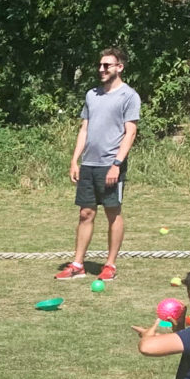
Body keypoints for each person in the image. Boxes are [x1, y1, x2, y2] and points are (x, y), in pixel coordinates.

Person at [58, 46, 140, 281]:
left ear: (119, 67)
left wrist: (116, 164)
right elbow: (84, 128)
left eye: (107, 65)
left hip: (111, 164)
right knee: (85, 213)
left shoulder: (129, 96)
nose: (101, 69)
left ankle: (110, 265)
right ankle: (77, 265)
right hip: (89, 164)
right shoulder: (92, 94)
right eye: (100, 65)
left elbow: (130, 133)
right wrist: (75, 160)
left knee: (113, 212)